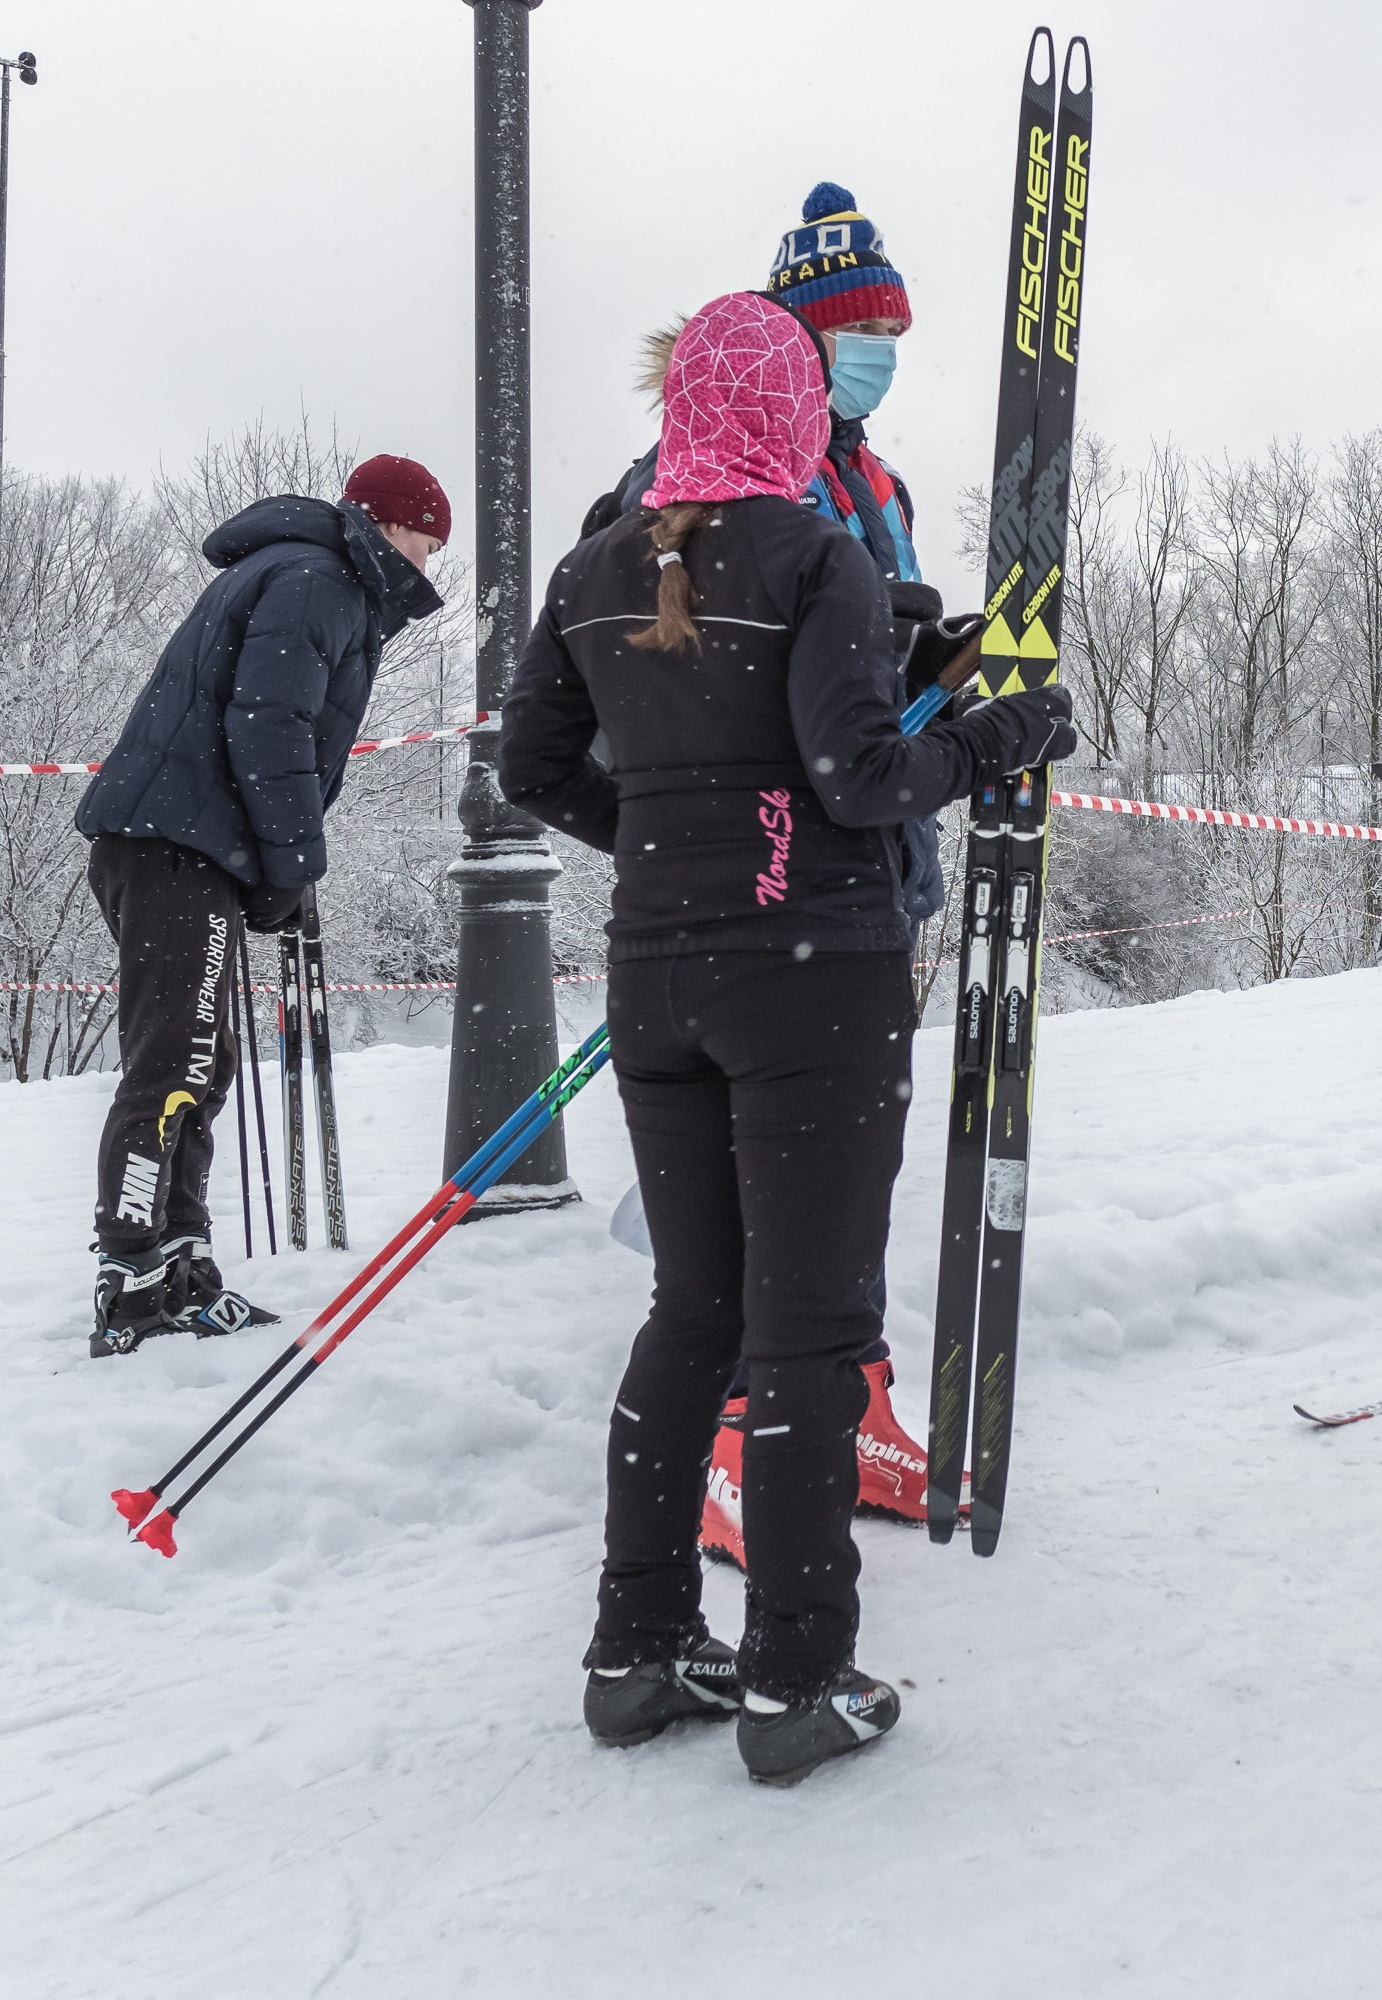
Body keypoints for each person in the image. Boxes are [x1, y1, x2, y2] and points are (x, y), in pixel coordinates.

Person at [498, 291, 1074, 1785]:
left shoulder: (597, 564)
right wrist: (1004, 733)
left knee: (694, 1311)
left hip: (658, 979)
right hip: (811, 974)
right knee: (809, 1333)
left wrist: (663, 837)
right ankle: (796, 1680)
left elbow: (532, 758)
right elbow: (862, 776)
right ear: (792, 418)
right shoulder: (813, 549)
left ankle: (634, 1653)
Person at [579, 180, 960, 1527]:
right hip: (764, 894)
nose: (881, 354)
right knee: (764, 1213)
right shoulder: (707, 476)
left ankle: (850, 1411)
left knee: (849, 1187)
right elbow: (647, 667)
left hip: (868, 869)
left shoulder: (872, 475)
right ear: (789, 343)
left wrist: (934, 663)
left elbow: (852, 674)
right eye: (856, 334)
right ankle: (753, 1433)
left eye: (892, 332)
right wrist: (685, 835)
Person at [72, 456, 448, 1358]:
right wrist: (292, 864)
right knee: (176, 1061)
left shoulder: (306, 572)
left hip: (179, 840)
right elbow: (269, 727)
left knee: (202, 1060)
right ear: (387, 525)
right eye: (426, 543)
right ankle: (131, 1272)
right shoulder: (320, 578)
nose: (428, 566)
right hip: (175, 844)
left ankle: (181, 1260)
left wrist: (278, 862)